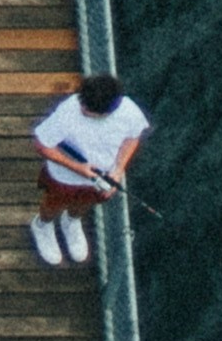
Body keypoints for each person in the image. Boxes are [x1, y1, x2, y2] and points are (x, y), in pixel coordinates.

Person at [29, 71, 149, 267]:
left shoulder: (130, 112)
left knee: (85, 203)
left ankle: (71, 221)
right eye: (82, 102)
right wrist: (77, 167)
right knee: (53, 203)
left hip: (101, 179)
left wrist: (118, 170)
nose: (81, 107)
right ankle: (43, 225)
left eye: (87, 107)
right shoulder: (67, 112)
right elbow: (42, 145)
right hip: (64, 178)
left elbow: (132, 137)